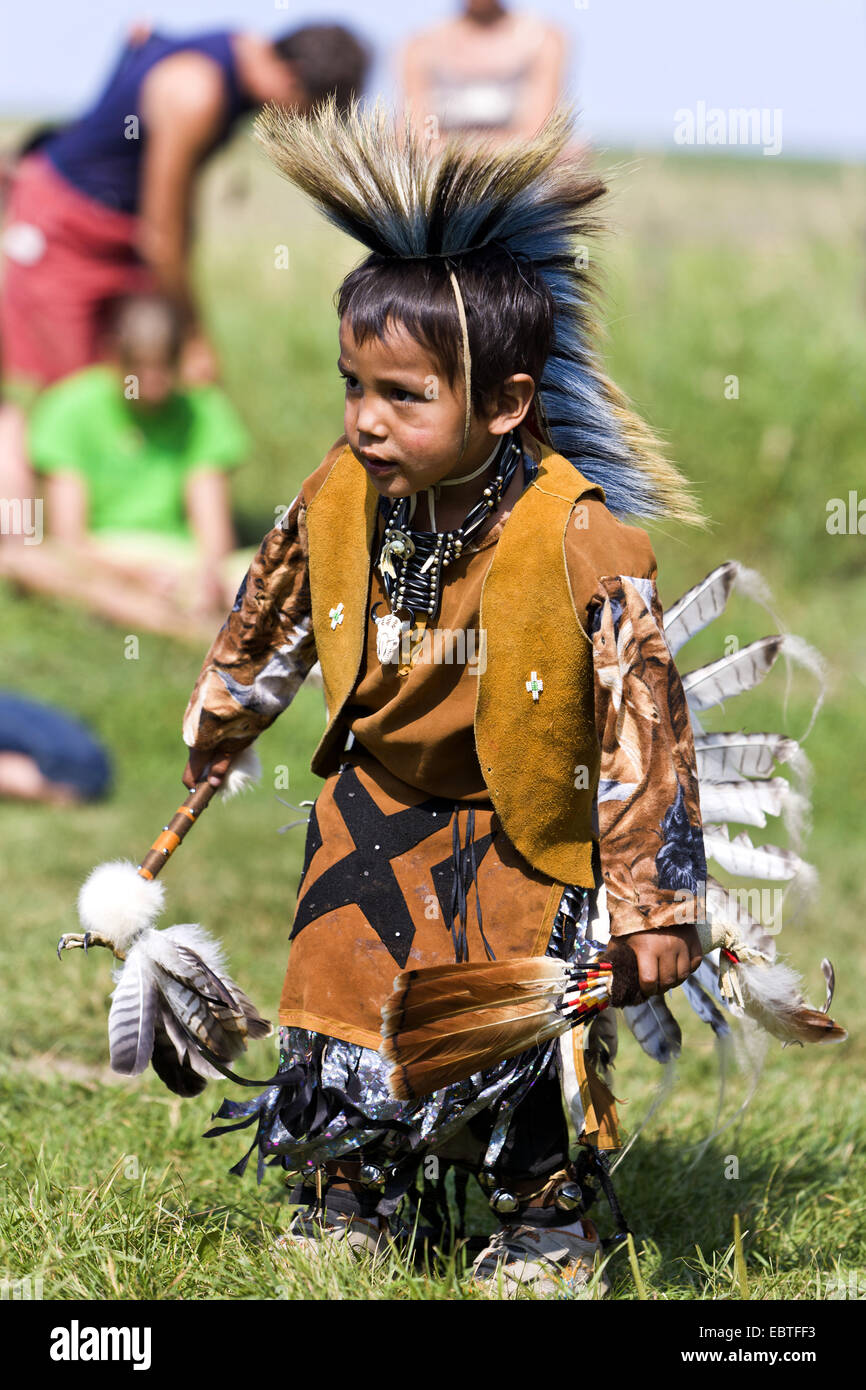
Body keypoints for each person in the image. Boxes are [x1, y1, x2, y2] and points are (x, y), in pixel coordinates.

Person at [177, 100, 713, 1297]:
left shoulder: (575, 538)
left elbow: (643, 727)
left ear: (505, 404)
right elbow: (273, 605)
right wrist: (224, 716)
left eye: (403, 395)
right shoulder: (339, 493)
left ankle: (540, 1220)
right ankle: (348, 1192)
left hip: (520, 816)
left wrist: (653, 898)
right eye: (352, 385)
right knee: (337, 990)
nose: (365, 418)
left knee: (503, 1025)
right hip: (374, 800)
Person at [0, 23, 370, 390]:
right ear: (294, 79)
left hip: (120, 234)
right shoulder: (198, 93)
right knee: (74, 392)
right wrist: (194, 338)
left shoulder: (240, 52)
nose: (300, 123)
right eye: (310, 111)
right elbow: (161, 236)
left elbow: (141, 35)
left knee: (129, 377)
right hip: (68, 227)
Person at [0, 292, 253, 641]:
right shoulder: (70, 407)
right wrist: (138, 574)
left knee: (268, 570)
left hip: (179, 559)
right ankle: (183, 627)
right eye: (139, 369)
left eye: (161, 368)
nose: (150, 384)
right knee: (26, 562)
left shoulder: (202, 411)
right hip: (101, 557)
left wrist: (202, 576)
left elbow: (214, 539)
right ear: (112, 356)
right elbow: (69, 538)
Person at [401, 1, 566, 147]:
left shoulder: (542, 42)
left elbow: (537, 136)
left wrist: (453, 152)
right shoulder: (420, 48)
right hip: (441, 178)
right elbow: (414, 137)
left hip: (518, 179)